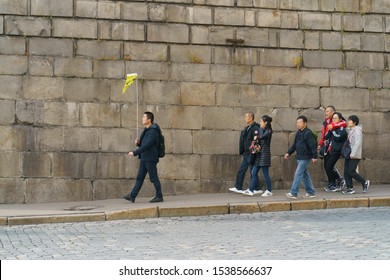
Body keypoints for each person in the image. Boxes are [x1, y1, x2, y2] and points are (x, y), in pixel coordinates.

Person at [122, 111, 163, 203]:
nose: (142, 118)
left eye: (144, 117)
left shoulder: (153, 131)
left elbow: (147, 145)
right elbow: (144, 145)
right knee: (139, 177)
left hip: (150, 158)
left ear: (149, 119)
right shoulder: (146, 130)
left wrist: (135, 152)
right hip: (145, 157)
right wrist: (138, 143)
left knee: (153, 177)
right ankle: (132, 196)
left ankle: (159, 196)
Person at [284, 115, 318, 199]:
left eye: (300, 122)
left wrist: (315, 156)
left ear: (305, 123)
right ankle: (311, 192)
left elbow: (312, 145)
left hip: (305, 157)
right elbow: (295, 145)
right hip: (299, 156)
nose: (298, 124)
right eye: (297, 122)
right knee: (305, 175)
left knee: (298, 174)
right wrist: (288, 152)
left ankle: (293, 193)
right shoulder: (299, 132)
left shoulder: (308, 133)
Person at [229, 112, 262, 194]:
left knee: (250, 170)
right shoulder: (248, 128)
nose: (245, 118)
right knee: (244, 170)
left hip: (250, 153)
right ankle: (240, 187)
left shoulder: (255, 128)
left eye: (246, 117)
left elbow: (255, 141)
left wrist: (252, 152)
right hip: (246, 153)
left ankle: (256, 188)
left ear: (250, 118)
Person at [318, 105, 347, 191]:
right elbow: (325, 134)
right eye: (325, 111)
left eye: (327, 111)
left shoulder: (339, 121)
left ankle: (338, 180)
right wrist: (320, 143)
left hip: (334, 147)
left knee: (329, 166)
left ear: (332, 112)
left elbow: (344, 123)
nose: (325, 113)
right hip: (327, 145)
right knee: (326, 166)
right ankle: (331, 183)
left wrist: (333, 127)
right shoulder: (326, 122)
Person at [243, 115, 273, 197]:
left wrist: (258, 136)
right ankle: (251, 190)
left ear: (265, 122)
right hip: (259, 154)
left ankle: (269, 190)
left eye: (261, 122)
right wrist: (259, 132)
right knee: (254, 172)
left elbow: (262, 136)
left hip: (265, 154)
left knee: (265, 173)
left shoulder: (268, 130)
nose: (260, 123)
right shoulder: (261, 129)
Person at [343, 115, 370, 194]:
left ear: (354, 122)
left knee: (351, 171)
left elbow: (358, 143)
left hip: (354, 155)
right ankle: (350, 188)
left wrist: (353, 154)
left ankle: (364, 182)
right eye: (348, 120)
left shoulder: (357, 131)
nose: (348, 122)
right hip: (349, 154)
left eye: (350, 120)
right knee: (346, 172)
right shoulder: (351, 130)